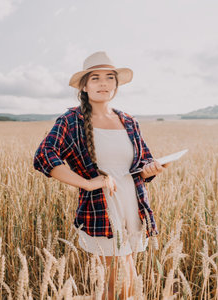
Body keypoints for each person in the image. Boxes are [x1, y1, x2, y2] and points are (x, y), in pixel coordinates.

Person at [33, 51, 170, 299]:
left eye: (109, 78)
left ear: (116, 85)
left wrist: (151, 168)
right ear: (84, 86)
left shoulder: (128, 120)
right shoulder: (70, 120)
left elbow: (144, 159)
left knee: (128, 276)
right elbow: (44, 155)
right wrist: (86, 183)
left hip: (133, 204)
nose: (103, 83)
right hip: (102, 207)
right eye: (95, 78)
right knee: (116, 283)